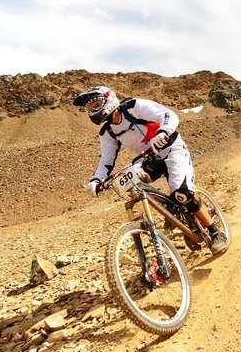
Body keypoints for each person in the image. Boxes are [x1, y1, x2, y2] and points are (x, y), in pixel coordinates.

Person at [73, 85, 228, 254]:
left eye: (95, 105)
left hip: (171, 149)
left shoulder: (133, 107)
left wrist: (163, 132)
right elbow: (106, 160)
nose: (92, 110)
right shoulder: (107, 132)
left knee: (181, 193)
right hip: (149, 158)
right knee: (133, 184)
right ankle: (174, 214)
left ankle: (215, 232)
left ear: (108, 99)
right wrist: (96, 180)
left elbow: (168, 115)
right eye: (89, 108)